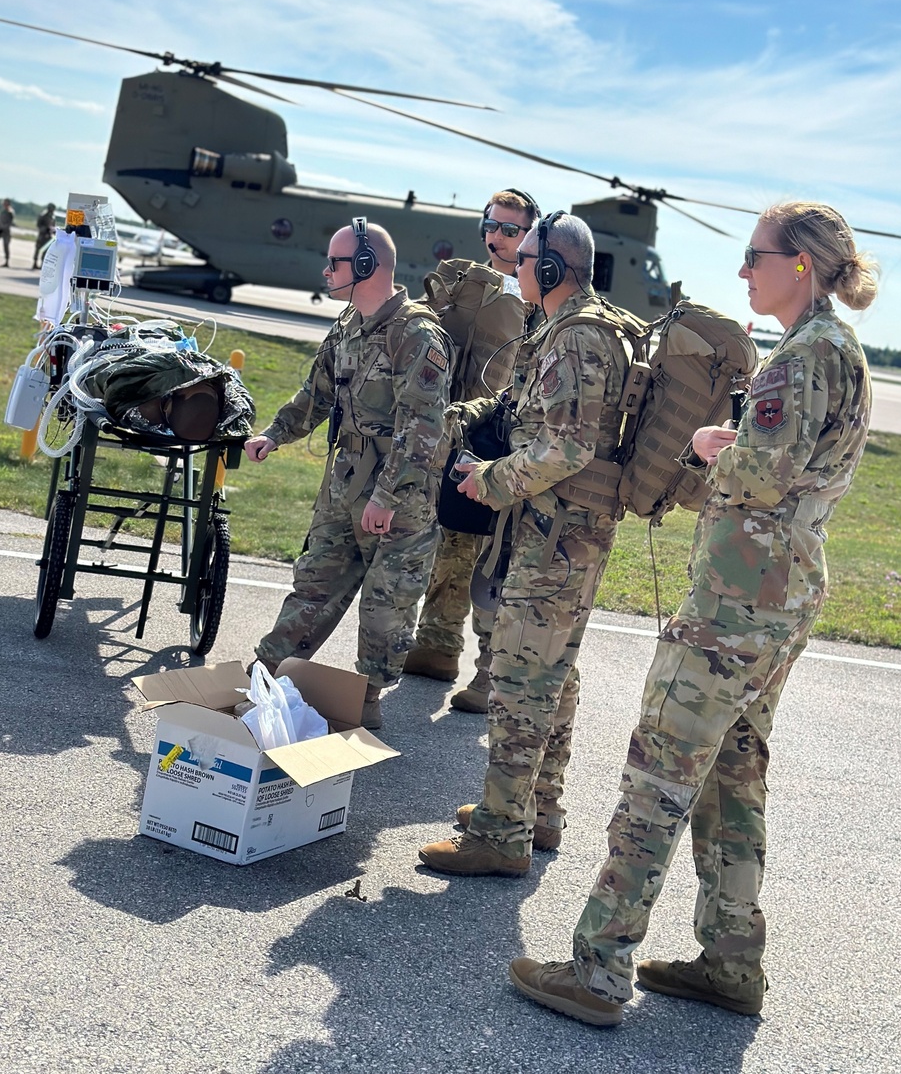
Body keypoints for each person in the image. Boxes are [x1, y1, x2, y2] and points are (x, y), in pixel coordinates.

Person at [510, 201, 876, 1028]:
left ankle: (598, 969)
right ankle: (730, 960)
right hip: (782, 593)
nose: (744, 270)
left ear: (802, 265)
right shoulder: (837, 352)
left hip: (735, 604)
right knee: (733, 773)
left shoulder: (802, 357)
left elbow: (763, 475)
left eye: (756, 255)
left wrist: (716, 447)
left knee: (658, 775)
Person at [418, 211, 632, 874]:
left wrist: (487, 479)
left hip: (553, 537)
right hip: (565, 534)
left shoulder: (577, 339)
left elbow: (565, 447)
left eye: (525, 259)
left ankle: (499, 832)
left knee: (519, 678)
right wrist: (467, 417)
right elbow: (520, 407)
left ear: (549, 267)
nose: (513, 268)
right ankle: (538, 808)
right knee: (554, 674)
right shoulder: (566, 329)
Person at [245, 218, 451, 730]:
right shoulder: (346, 327)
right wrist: (276, 433)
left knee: (387, 604)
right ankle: (266, 676)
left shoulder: (417, 334)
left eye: (335, 262)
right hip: (344, 483)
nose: (326, 270)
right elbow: (316, 393)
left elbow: (423, 426)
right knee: (314, 583)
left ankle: (369, 699)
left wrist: (386, 496)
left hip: (399, 497)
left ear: (364, 266)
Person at [403, 188, 539, 712]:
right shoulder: (463, 281)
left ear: (530, 234)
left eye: (511, 229)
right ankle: (437, 643)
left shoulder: (536, 293)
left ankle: (491, 671)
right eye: (493, 225)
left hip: (506, 439)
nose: (499, 236)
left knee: (496, 554)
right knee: (449, 537)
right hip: (455, 427)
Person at [32, 203, 56, 269]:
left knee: (45, 251)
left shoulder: (52, 216)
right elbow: (39, 225)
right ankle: (35, 263)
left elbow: (53, 225)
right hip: (42, 235)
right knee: (38, 249)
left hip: (48, 236)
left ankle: (42, 264)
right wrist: (45, 229)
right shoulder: (43, 215)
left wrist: (53, 230)